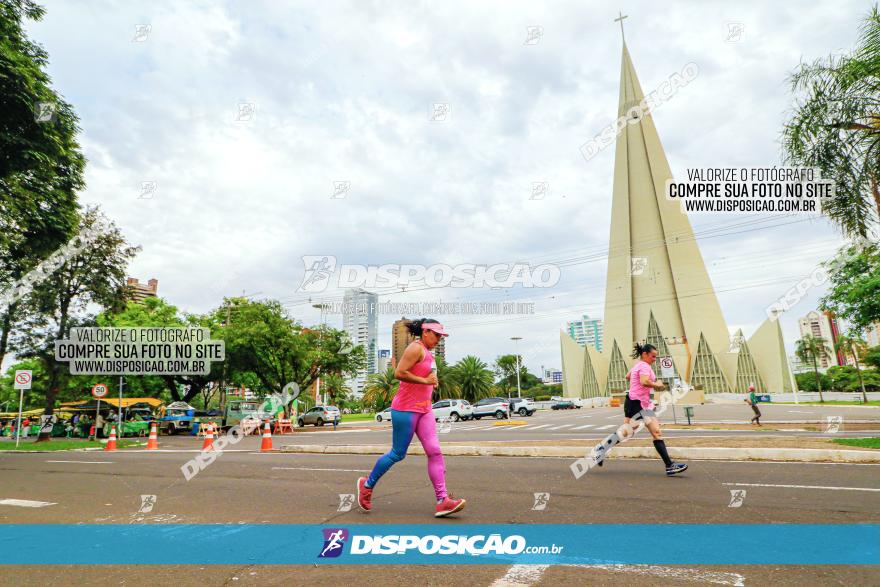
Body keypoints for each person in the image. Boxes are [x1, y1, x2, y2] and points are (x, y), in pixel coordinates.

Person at [357, 319, 466, 517]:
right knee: (397, 454)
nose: (439, 339)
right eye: (437, 335)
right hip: (405, 410)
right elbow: (399, 372)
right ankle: (367, 485)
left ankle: (443, 501)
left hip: (425, 410)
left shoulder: (429, 354)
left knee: (435, 451)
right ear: (425, 332)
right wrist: (425, 380)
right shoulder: (415, 348)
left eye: (441, 336)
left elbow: (427, 376)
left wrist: (432, 382)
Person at [594, 342, 688, 476]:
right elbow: (644, 381)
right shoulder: (644, 366)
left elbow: (628, 377)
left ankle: (669, 466)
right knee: (627, 432)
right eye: (653, 356)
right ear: (645, 354)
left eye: (656, 357)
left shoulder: (639, 365)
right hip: (636, 403)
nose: (655, 360)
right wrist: (657, 385)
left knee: (656, 432)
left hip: (641, 403)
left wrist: (641, 387)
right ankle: (602, 448)